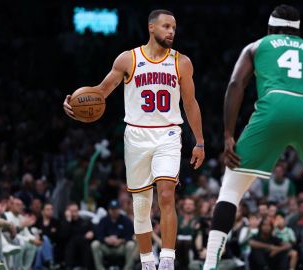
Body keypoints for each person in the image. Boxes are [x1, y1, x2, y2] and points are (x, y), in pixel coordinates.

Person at [204, 4, 303, 270]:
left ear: (270, 29)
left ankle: (209, 265)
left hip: (274, 108)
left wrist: (227, 134)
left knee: (231, 189)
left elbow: (236, 84)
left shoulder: (257, 46)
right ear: (299, 32)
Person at [63, 9, 205, 270]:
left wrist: (199, 141)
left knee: (166, 193)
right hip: (136, 136)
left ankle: (167, 260)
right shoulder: (128, 59)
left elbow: (190, 103)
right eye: (166, 26)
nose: (171, 31)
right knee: (141, 204)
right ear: (151, 28)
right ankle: (147, 261)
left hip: (169, 134)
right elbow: (101, 92)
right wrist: (74, 102)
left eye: (174, 27)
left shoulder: (181, 62)